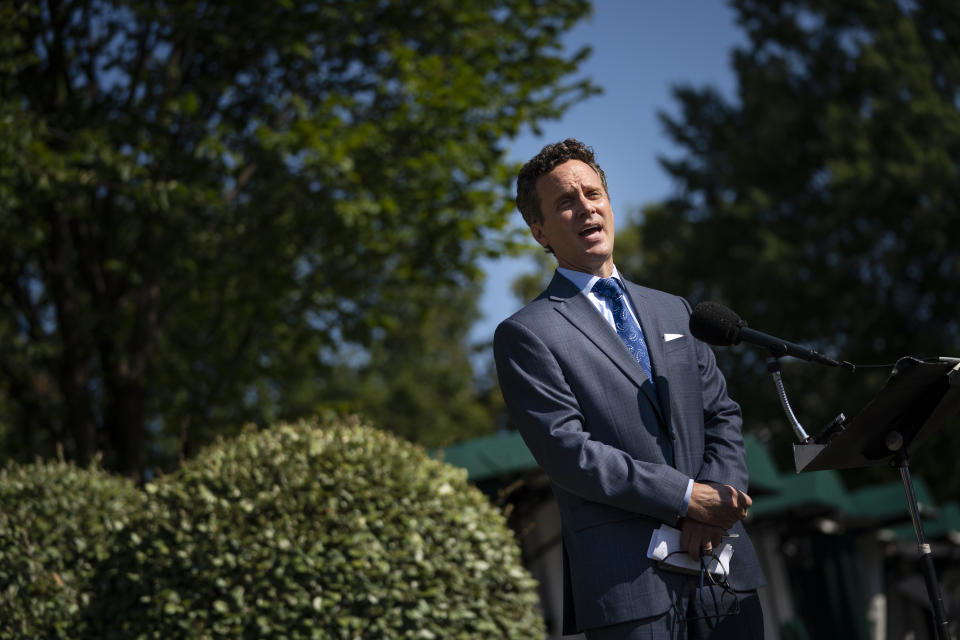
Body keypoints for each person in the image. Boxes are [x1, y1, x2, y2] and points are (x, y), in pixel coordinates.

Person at [493, 139, 765, 639]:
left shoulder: (676, 310)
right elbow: (569, 453)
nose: (585, 208)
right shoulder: (527, 334)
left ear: (609, 204)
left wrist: (716, 502)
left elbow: (722, 415)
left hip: (723, 571)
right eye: (565, 203)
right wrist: (687, 498)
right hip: (629, 590)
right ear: (539, 233)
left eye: (592, 193)